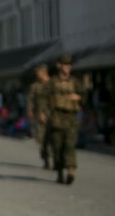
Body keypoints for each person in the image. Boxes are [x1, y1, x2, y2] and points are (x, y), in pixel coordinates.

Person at [48, 54, 83, 184]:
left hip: (71, 118)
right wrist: (43, 113)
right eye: (65, 65)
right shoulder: (52, 82)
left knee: (70, 145)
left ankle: (70, 171)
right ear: (59, 66)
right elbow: (44, 98)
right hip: (56, 117)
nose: (67, 68)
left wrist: (78, 97)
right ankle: (59, 172)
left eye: (69, 66)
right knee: (57, 146)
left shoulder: (75, 82)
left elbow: (84, 95)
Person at [27, 63, 51, 168]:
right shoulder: (35, 86)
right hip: (40, 115)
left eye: (38, 72)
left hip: (53, 114)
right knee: (42, 138)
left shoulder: (52, 84)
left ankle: (55, 159)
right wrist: (30, 111)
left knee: (54, 138)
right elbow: (30, 100)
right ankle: (46, 159)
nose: (37, 75)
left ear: (44, 72)